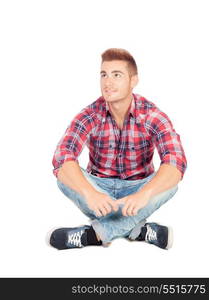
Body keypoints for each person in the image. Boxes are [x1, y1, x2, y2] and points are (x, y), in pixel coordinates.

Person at [48, 48, 187, 250]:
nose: (108, 82)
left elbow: (175, 161)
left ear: (133, 81)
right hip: (99, 189)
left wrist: (144, 195)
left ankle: (93, 235)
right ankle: (137, 230)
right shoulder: (90, 114)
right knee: (64, 180)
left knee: (169, 185)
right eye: (103, 74)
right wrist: (90, 193)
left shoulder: (152, 115)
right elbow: (62, 157)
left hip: (137, 189)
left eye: (117, 75)